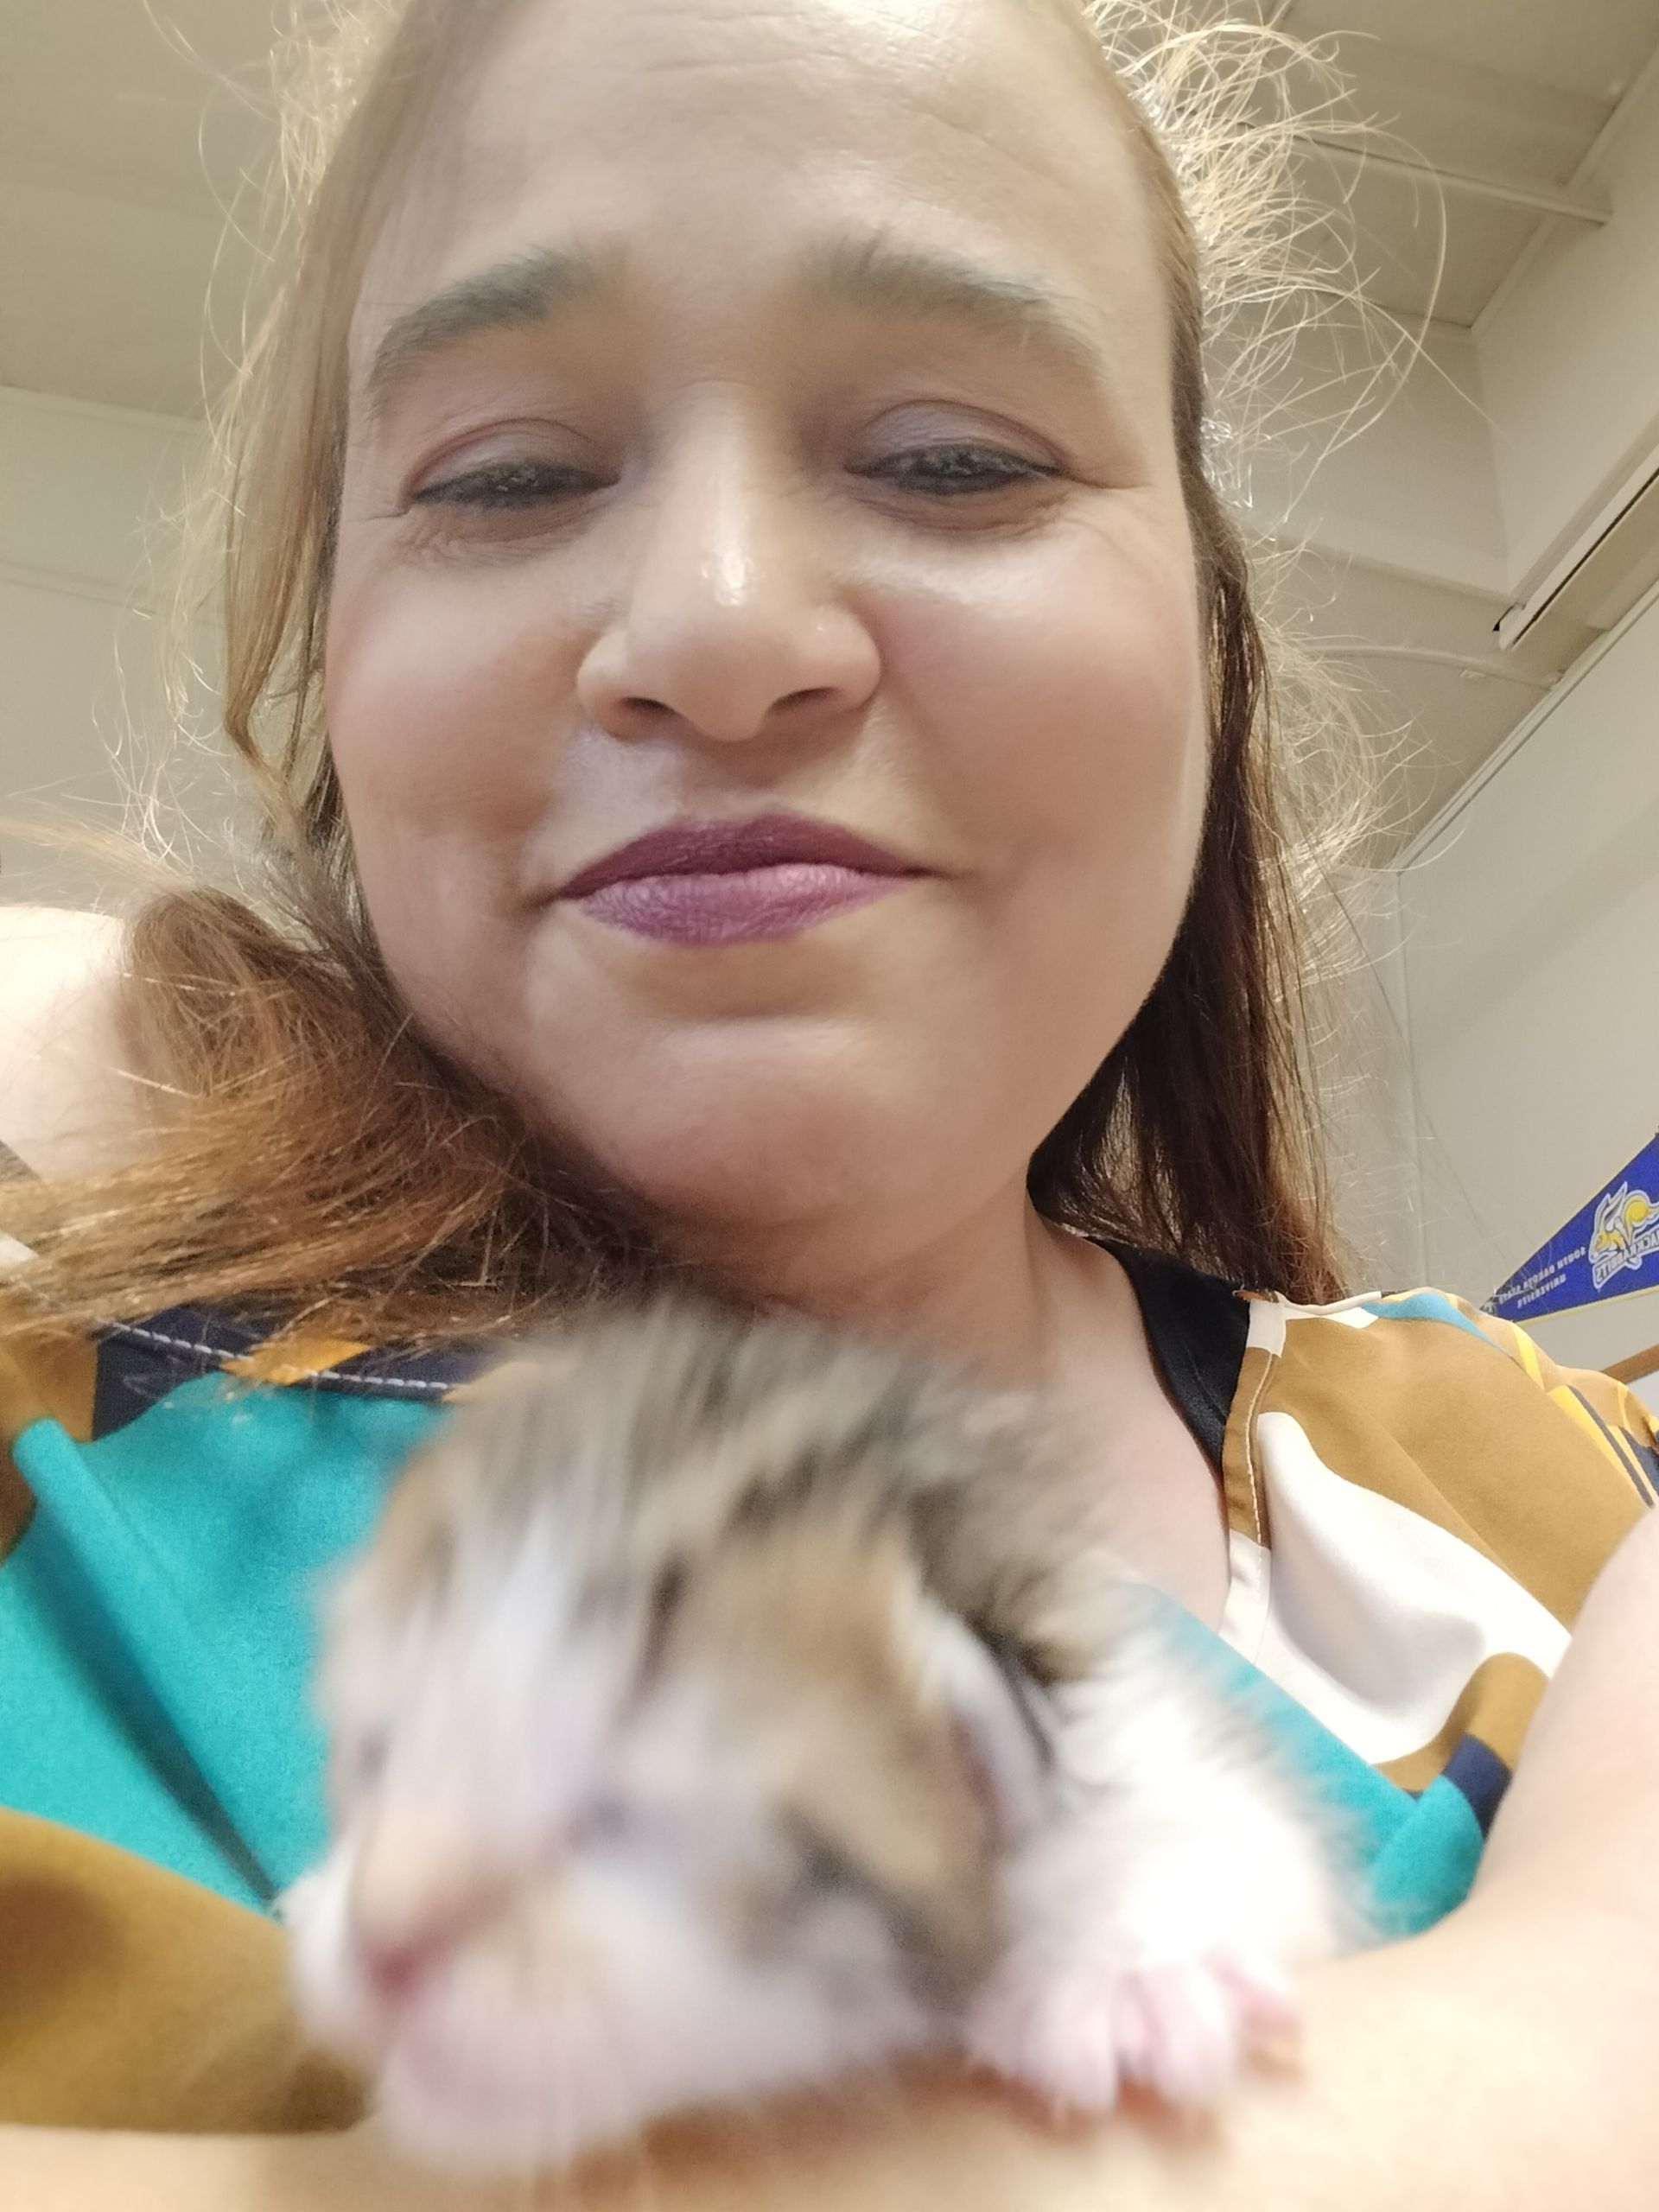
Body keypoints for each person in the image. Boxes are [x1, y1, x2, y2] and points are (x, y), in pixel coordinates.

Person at [2, 0, 1656, 2204]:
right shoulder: (71, 1289)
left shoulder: (1563, 1479)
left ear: (1207, 631)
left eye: (956, 459)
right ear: (328, 667)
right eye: (508, 476)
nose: (717, 624)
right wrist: (1579, 2022)